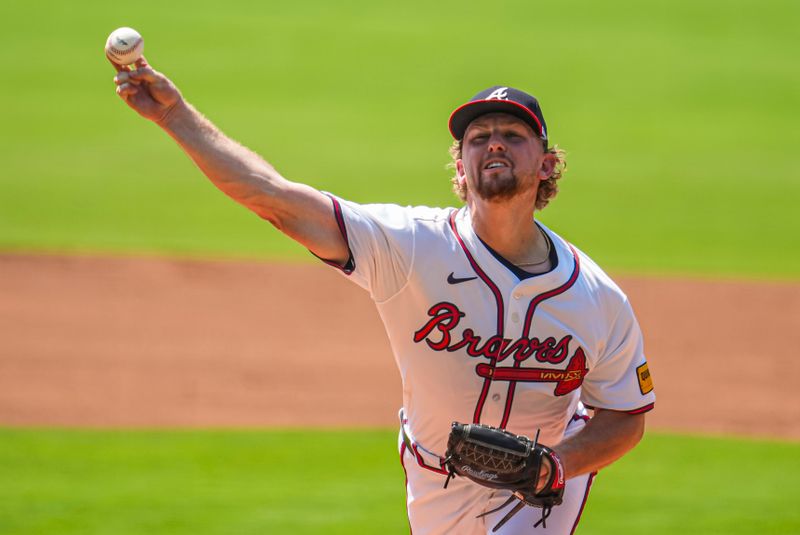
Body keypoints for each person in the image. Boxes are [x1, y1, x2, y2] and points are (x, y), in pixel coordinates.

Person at [112, 57, 656, 534]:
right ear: (461, 171)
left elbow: (625, 413)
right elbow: (274, 198)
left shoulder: (595, 296)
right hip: (434, 479)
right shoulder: (410, 246)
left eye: (513, 135)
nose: (493, 141)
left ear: (546, 163)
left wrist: (555, 465)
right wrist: (173, 115)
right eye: (477, 136)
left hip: (541, 489)